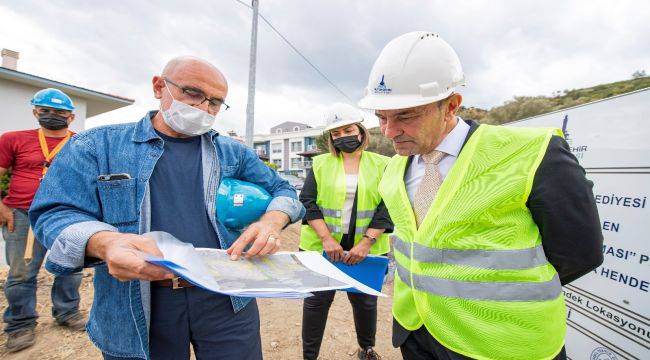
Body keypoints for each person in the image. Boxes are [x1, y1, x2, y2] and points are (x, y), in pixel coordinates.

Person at [28, 56, 305, 360]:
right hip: (137, 301)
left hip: (225, 297)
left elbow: (284, 189)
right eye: (193, 93)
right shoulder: (97, 146)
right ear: (159, 87)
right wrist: (106, 243)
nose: (203, 108)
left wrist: (271, 222)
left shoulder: (232, 152)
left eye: (214, 102)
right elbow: (55, 212)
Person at [357, 32, 604, 360]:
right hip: (416, 332)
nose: (388, 132)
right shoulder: (393, 170)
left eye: (405, 115)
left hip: (502, 345)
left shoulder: (532, 153)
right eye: (381, 117)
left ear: (451, 106)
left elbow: (580, 253)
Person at [299, 103, 393, 360]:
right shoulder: (319, 164)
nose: (342, 137)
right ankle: (309, 357)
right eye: (336, 134)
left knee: (364, 303)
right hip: (323, 249)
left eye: (348, 130)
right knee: (316, 304)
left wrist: (366, 243)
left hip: (366, 250)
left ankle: (367, 349)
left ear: (361, 131)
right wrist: (327, 239)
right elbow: (308, 203)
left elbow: (388, 206)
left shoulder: (384, 164)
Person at [0, 88, 86, 353]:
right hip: (22, 214)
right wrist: (1, 206)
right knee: (21, 271)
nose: (52, 116)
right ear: (35, 111)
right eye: (46, 111)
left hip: (65, 213)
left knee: (71, 266)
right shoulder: (13, 139)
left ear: (71, 117)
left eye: (59, 112)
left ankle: (67, 312)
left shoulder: (80, 143)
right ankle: (20, 324)